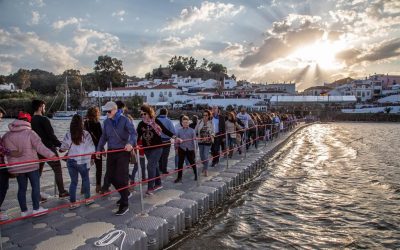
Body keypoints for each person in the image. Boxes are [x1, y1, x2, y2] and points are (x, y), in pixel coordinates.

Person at [3, 112, 55, 217]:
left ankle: (24, 211)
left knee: (21, 188)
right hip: (31, 165)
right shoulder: (31, 133)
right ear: (27, 121)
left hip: (17, 167)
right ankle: (36, 209)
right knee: (35, 187)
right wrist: (52, 155)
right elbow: (40, 147)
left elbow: (4, 151)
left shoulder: (6, 135)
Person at [97, 101, 137, 216]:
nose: (107, 113)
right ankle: (125, 193)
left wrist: (130, 144)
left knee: (122, 178)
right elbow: (103, 136)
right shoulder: (106, 122)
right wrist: (99, 149)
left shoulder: (125, 120)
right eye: (105, 111)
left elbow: (134, 133)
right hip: (111, 152)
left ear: (115, 110)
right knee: (110, 177)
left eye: (108, 111)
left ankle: (125, 205)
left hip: (123, 152)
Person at [31, 100, 69, 200]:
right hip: (48, 149)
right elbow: (51, 135)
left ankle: (37, 195)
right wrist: (61, 145)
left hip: (37, 150)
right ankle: (62, 192)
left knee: (37, 173)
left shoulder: (31, 120)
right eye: (43, 107)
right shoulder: (44, 119)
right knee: (57, 170)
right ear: (40, 107)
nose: (44, 109)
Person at [136, 104, 175, 195]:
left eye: (144, 114)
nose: (143, 116)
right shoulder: (141, 124)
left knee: (150, 166)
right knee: (154, 166)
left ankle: (150, 188)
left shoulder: (155, 121)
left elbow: (164, 130)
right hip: (147, 149)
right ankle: (158, 183)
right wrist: (133, 144)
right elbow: (137, 136)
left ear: (149, 113)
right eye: (141, 115)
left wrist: (175, 137)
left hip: (157, 147)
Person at [61, 115, 96, 209]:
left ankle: (73, 203)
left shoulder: (69, 134)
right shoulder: (86, 134)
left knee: (73, 182)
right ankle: (87, 199)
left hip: (71, 161)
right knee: (85, 179)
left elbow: (62, 148)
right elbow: (92, 148)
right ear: (82, 123)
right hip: (83, 161)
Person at [84, 106, 103, 193]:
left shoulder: (85, 123)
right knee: (98, 168)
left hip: (87, 148)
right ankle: (98, 186)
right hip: (96, 148)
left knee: (86, 168)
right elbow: (100, 137)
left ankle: (83, 187)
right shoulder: (97, 123)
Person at [175, 116, 197, 183]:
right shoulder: (179, 130)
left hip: (190, 149)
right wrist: (176, 148)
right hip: (181, 148)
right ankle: (179, 177)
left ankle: (196, 174)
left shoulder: (192, 131)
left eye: (186, 122)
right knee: (180, 163)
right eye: (184, 122)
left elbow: (194, 141)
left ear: (188, 123)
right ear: (182, 123)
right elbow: (176, 140)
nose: (185, 124)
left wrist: (195, 150)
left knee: (192, 162)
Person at [195, 110, 214, 176]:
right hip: (200, 141)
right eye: (203, 115)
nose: (204, 116)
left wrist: (210, 136)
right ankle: (204, 165)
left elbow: (213, 132)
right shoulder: (199, 122)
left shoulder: (211, 123)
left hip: (208, 141)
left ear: (209, 116)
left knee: (206, 155)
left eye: (206, 115)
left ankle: (206, 170)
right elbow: (196, 131)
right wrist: (196, 136)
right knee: (201, 156)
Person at [157, 108, 175, 174]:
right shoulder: (169, 121)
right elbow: (173, 132)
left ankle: (159, 169)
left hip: (158, 141)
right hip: (167, 141)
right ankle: (164, 170)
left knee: (159, 156)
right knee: (165, 156)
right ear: (166, 113)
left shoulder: (156, 120)